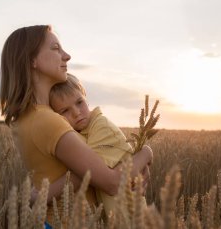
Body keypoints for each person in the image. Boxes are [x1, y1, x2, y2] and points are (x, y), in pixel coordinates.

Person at [0, 25, 153, 225]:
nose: (67, 56)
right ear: (32, 60)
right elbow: (112, 182)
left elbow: (71, 173)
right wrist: (146, 154)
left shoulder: (27, 118)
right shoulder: (48, 121)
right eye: (55, 48)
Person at [48, 73, 150, 216]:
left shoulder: (101, 128)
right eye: (65, 110)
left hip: (131, 216)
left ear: (86, 99)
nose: (77, 113)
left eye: (79, 102)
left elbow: (86, 174)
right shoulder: (83, 132)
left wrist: (41, 196)